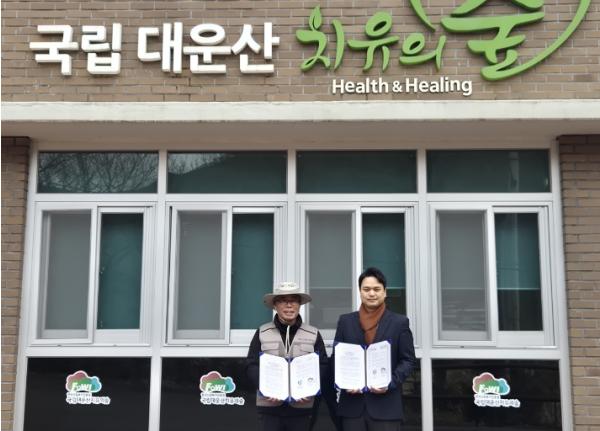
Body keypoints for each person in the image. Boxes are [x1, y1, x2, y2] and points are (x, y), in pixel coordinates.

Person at [332, 267, 416, 431]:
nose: (371, 293)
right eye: (366, 289)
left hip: (386, 408)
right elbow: (337, 358)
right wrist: (345, 381)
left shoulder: (399, 323)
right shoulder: (345, 321)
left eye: (377, 289)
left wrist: (390, 382)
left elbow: (408, 360)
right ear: (360, 292)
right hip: (352, 407)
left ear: (385, 292)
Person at [246, 282, 329, 431]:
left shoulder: (313, 333)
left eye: (294, 300)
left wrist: (310, 389)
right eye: (283, 300)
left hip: (302, 408)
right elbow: (252, 365)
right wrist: (265, 388)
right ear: (275, 305)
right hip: (269, 408)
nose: (289, 305)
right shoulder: (262, 332)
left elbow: (323, 365)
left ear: (299, 304)